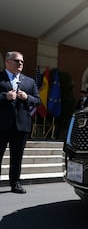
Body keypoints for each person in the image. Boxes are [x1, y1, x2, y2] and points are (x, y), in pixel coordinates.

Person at [0, 51, 40, 193]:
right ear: (7, 62)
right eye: (17, 61)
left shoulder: (29, 81)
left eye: (22, 61)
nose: (20, 63)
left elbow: (37, 101)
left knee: (17, 157)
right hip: (2, 125)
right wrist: (5, 96)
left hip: (21, 126)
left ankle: (15, 183)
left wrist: (26, 97)